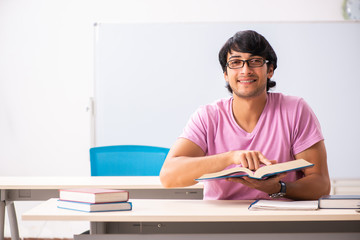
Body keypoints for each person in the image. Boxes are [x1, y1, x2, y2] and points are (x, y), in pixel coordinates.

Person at [160, 30, 330, 200]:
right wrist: (231, 157)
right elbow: (169, 176)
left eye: (255, 61)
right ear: (226, 74)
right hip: (220, 221)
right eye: (235, 63)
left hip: (279, 220)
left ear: (270, 70)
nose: (245, 70)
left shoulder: (295, 110)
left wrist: (279, 187)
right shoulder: (207, 116)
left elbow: (321, 185)